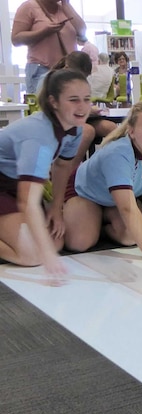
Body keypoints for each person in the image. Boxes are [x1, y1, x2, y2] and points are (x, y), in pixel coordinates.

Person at [62, 101, 142, 263]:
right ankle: (87, 218)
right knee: (79, 242)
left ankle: (103, 224)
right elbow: (127, 208)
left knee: (132, 236)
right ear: (131, 132)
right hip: (86, 193)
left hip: (123, 196)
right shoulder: (118, 153)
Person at [0, 69, 89, 278]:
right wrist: (48, 257)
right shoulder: (39, 136)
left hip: (16, 182)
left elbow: (61, 167)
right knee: (33, 255)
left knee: (56, 241)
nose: (82, 107)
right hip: (4, 183)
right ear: (53, 102)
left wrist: (57, 209)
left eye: (87, 99)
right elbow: (27, 201)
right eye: (73, 100)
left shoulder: (74, 129)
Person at [11, 0, 87, 94]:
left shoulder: (64, 8)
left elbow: (82, 31)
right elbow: (15, 39)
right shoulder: (29, 7)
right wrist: (43, 32)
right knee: (43, 107)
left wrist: (66, 5)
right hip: (41, 68)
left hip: (67, 70)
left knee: (68, 106)